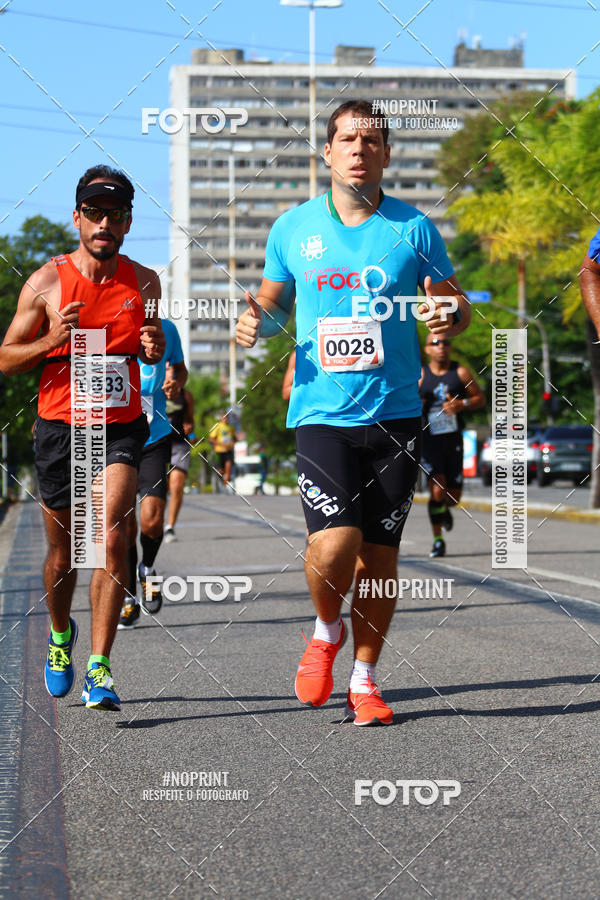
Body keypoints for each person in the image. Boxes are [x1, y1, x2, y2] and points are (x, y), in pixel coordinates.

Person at [236, 100, 470, 726]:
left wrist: (451, 313)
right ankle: (325, 629)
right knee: (334, 544)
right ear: (327, 152)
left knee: (381, 559)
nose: (359, 149)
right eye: (347, 139)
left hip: (396, 414)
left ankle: (364, 679)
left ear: (387, 153)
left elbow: (454, 303)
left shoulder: (414, 229)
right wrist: (257, 316)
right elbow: (273, 299)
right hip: (321, 410)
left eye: (371, 139)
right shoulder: (292, 228)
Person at [0, 165, 164, 710]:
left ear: (128, 222)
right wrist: (51, 338)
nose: (104, 222)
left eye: (115, 214)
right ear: (77, 217)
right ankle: (59, 637)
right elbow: (5, 358)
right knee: (62, 553)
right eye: (94, 212)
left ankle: (101, 667)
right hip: (60, 429)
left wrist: (152, 345)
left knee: (112, 535)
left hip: (118, 426)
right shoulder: (45, 282)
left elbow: (152, 346)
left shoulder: (146, 282)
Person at [119, 323, 187, 628]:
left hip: (154, 434)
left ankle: (147, 567)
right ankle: (129, 597)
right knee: (123, 523)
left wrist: (176, 383)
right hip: (115, 436)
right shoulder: (106, 322)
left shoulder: (166, 329)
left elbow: (180, 368)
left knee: (151, 518)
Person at [419, 335, 485, 557]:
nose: (441, 347)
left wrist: (462, 403)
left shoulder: (461, 373)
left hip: (453, 439)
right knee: (437, 489)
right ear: (427, 349)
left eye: (445, 343)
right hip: (429, 440)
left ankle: (444, 511)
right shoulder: (420, 376)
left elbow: (480, 398)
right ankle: (438, 540)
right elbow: (407, 402)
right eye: (435, 343)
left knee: (453, 497)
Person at [164, 371, 195, 543]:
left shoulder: (186, 395)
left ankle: (170, 527)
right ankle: (153, 522)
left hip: (179, 444)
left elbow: (191, 420)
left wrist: (190, 428)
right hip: (156, 443)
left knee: (176, 485)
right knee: (159, 489)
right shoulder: (152, 391)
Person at [209, 413, 237, 489]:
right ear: (221, 418)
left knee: (229, 467)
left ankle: (225, 486)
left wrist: (232, 443)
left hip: (228, 450)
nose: (225, 419)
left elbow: (234, 438)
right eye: (224, 418)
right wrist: (221, 444)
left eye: (227, 418)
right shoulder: (218, 426)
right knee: (222, 470)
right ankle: (220, 479)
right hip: (219, 451)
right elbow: (211, 439)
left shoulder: (231, 428)